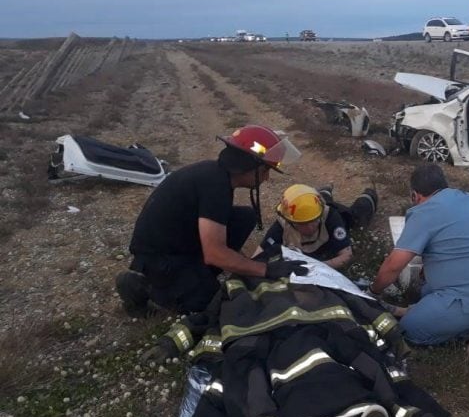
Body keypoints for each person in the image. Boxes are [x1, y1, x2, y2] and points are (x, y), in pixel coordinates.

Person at [116, 125, 307, 317]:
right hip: (158, 259)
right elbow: (215, 254)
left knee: (245, 217)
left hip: (179, 243)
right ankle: (141, 286)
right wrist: (265, 269)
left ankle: (199, 272)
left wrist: (240, 264)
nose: (266, 178)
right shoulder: (215, 186)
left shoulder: (216, 175)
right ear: (248, 165)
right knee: (212, 304)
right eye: (265, 170)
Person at [369, 164, 469, 345]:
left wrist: (373, 291)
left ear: (415, 195)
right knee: (426, 291)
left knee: (410, 327)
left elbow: (393, 266)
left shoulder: (425, 211)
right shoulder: (468, 199)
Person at [253, 184, 378, 270]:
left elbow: (346, 256)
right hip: (318, 209)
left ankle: (369, 195)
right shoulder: (283, 224)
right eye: (302, 224)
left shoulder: (330, 217)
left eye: (313, 221)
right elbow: (258, 255)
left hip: (337, 215)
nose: (310, 228)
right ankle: (324, 193)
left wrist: (318, 267)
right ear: (289, 221)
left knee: (356, 217)